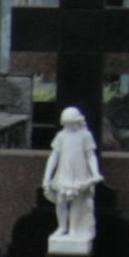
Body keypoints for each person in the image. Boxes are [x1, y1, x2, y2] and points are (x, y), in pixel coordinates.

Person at [41, 106, 102, 247]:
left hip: (79, 172)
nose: (69, 126)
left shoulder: (85, 135)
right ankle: (62, 226)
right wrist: (47, 175)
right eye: (66, 124)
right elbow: (54, 156)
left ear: (77, 121)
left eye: (71, 123)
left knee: (77, 201)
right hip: (64, 172)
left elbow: (90, 155)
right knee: (61, 200)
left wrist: (95, 172)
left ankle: (74, 228)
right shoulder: (61, 136)